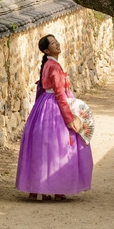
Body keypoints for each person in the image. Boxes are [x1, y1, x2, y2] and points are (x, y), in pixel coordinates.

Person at [15, 34, 93, 201]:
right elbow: (59, 93)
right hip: (55, 107)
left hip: (43, 106)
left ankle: (37, 189)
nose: (57, 44)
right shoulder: (54, 67)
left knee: (43, 148)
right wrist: (69, 119)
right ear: (45, 49)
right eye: (52, 43)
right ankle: (57, 189)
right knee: (60, 146)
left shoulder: (48, 65)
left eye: (56, 41)